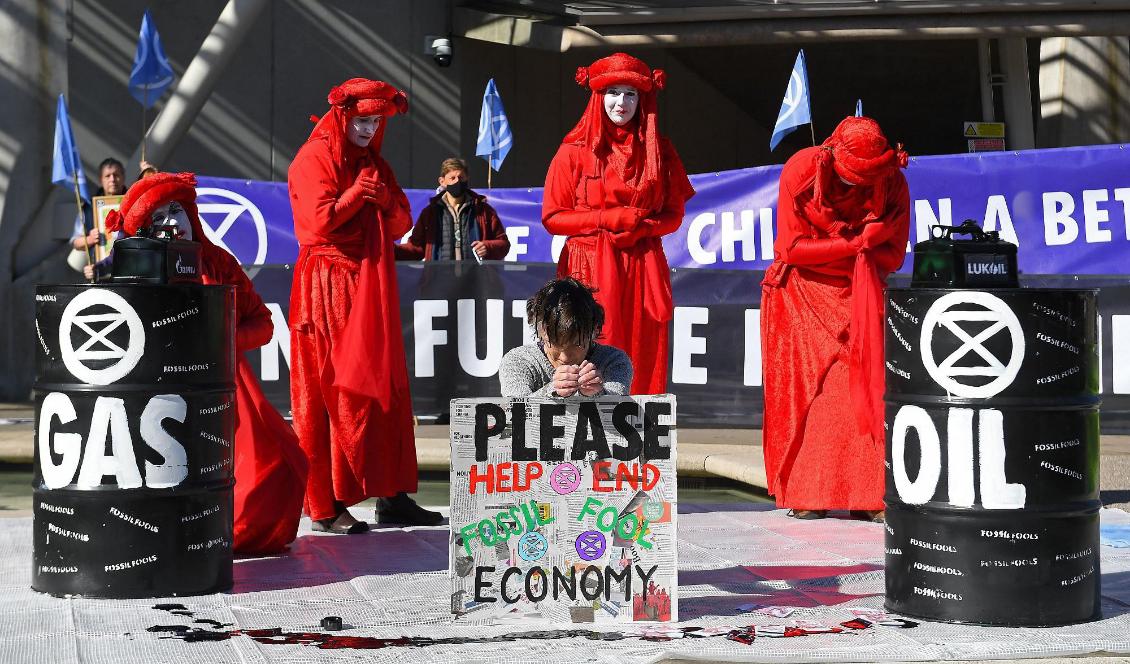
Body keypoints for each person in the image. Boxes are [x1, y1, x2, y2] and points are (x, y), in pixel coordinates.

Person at [104, 171, 308, 554]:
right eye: (158, 217)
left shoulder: (218, 262)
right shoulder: (131, 270)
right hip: (156, 396)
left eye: (176, 211)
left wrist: (219, 339)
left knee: (274, 466)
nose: (170, 223)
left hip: (223, 389)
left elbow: (262, 325)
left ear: (192, 215)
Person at [287, 77, 441, 533]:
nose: (369, 130)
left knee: (385, 390)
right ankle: (326, 504)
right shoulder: (313, 158)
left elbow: (401, 221)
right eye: (362, 121)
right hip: (328, 282)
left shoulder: (373, 162)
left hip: (369, 282)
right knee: (333, 390)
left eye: (375, 122)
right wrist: (361, 194)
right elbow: (316, 225)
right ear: (342, 117)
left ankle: (392, 495)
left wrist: (377, 196)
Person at [760, 116, 911, 522]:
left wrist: (850, 251)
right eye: (850, 180)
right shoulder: (802, 168)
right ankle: (809, 491)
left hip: (859, 294)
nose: (859, 188)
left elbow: (893, 255)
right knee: (810, 394)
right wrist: (859, 242)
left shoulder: (894, 181)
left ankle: (869, 496)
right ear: (831, 157)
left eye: (867, 182)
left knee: (863, 390)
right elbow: (790, 248)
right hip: (800, 296)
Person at [542, 53, 694, 396]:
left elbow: (674, 214)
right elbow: (553, 217)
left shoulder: (660, 151)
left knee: (641, 350)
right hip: (589, 266)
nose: (621, 102)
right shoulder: (573, 151)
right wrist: (607, 219)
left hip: (641, 264)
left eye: (630, 94)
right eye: (613, 92)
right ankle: (585, 445)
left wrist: (644, 229)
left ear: (643, 99)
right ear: (598, 97)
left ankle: (634, 439)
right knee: (586, 348)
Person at [499, 278, 632, 398]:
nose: (565, 357)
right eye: (556, 343)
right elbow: (515, 413)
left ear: (594, 330)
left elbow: (619, 409)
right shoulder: (518, 360)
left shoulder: (613, 360)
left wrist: (598, 393)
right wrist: (552, 390)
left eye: (576, 344)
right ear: (541, 330)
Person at [396, 157, 510, 261]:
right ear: (442, 181)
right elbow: (416, 248)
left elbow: (504, 244)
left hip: (475, 280)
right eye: (452, 178)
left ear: (467, 179)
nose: (457, 181)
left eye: (461, 177)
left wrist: (488, 247)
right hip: (440, 280)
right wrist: (391, 251)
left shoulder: (484, 211)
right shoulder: (430, 213)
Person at [69, 158, 127, 277]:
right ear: (101, 180)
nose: (112, 179)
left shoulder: (136, 203)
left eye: (116, 175)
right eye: (107, 176)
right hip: (100, 275)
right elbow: (75, 242)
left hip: (129, 272)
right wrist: (90, 239)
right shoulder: (89, 208)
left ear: (123, 177)